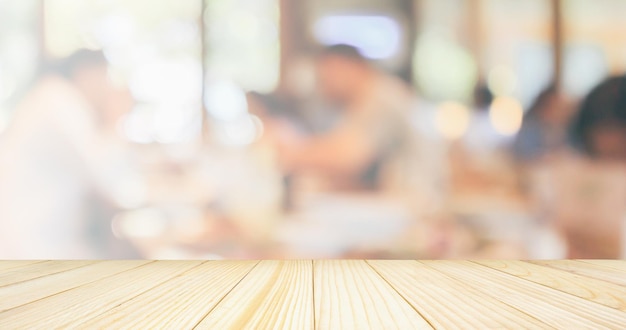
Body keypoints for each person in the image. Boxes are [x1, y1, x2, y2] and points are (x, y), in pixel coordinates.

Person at [0, 49, 144, 259]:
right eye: (105, 78)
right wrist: (115, 118)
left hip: (38, 240)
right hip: (30, 247)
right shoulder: (60, 103)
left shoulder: (53, 98)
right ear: (86, 74)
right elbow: (115, 185)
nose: (108, 89)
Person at [273, 44, 422, 193]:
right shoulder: (367, 98)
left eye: (326, 78)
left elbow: (346, 157)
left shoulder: (381, 99)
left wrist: (286, 152)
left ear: (349, 68)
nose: (323, 89)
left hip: (415, 204)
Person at [513, 85, 574, 162]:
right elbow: (522, 155)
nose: (558, 113)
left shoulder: (563, 130)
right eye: (554, 108)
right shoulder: (530, 129)